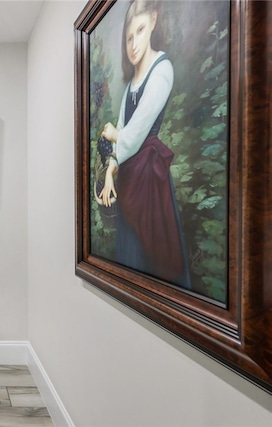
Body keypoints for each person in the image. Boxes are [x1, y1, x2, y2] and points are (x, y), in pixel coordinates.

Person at [98, 0, 191, 289]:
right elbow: (125, 138)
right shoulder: (129, 86)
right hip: (129, 179)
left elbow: (132, 134)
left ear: (153, 21)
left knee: (155, 257)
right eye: (128, 37)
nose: (134, 43)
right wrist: (111, 171)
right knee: (130, 258)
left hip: (150, 181)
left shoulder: (162, 70)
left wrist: (113, 133)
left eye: (139, 31)